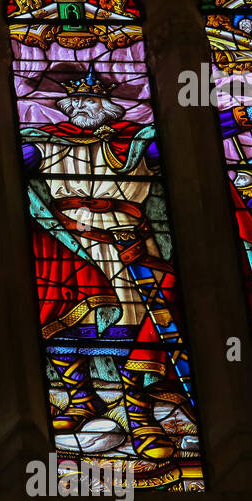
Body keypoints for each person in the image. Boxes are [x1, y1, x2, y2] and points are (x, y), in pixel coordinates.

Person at [20, 70, 184, 460]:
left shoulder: (137, 141)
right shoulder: (47, 144)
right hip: (69, 243)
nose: (79, 107)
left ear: (107, 106)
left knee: (136, 329)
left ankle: (140, 415)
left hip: (125, 241)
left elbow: (191, 141)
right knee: (61, 321)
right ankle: (81, 399)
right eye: (73, 101)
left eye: (88, 101)